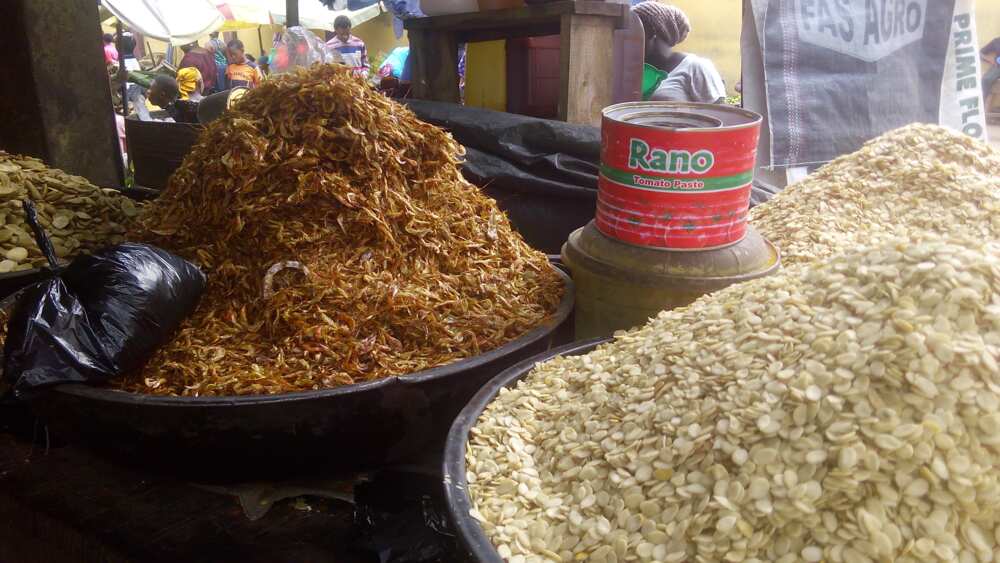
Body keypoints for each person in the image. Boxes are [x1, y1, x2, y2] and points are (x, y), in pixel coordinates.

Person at [632, 2, 726, 104]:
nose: (628, 39)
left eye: (634, 32)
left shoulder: (695, 67)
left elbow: (719, 114)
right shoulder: (631, 68)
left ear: (652, 32)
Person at [983, 36, 1000, 102]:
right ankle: (981, 104)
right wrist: (989, 60)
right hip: (998, 67)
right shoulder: (996, 41)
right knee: (986, 79)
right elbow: (980, 53)